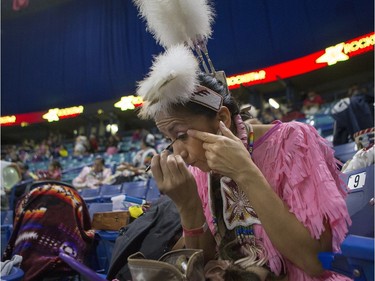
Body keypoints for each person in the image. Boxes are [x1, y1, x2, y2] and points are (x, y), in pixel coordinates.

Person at [135, 44, 351, 280]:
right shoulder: (202, 170)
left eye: (181, 135)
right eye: (169, 140)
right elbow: (201, 263)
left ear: (222, 119)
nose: (179, 153)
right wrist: (189, 206)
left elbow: (316, 263)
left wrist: (245, 172)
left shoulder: (293, 142)